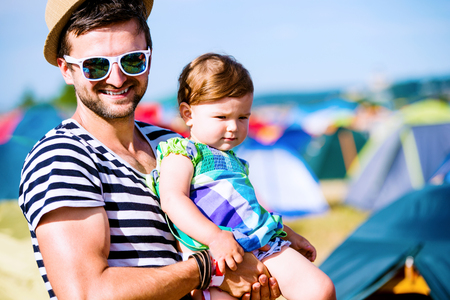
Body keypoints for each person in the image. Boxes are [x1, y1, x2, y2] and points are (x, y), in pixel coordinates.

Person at [18, 0, 285, 299]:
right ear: (67, 70)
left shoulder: (171, 143)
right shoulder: (62, 158)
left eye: (132, 60)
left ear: (149, 58)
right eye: (96, 66)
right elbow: (87, 293)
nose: (116, 78)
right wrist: (211, 269)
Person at [150, 53, 336, 300]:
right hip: (215, 259)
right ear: (188, 114)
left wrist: (287, 233)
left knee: (320, 289)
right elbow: (173, 199)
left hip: (260, 243)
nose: (233, 127)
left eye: (242, 117)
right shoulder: (182, 152)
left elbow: (249, 210)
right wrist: (215, 238)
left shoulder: (234, 161)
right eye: (221, 117)